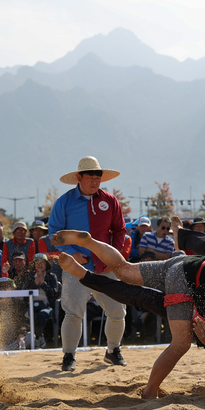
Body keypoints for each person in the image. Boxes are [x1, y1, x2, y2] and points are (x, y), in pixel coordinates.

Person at [52, 219, 205, 398]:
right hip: (186, 282)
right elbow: (202, 295)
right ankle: (150, 391)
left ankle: (91, 242)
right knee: (179, 342)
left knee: (125, 270)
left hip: (185, 262)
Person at [48, 156, 128, 372]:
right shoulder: (63, 202)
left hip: (106, 266)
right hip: (75, 267)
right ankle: (69, 356)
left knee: (118, 311)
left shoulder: (110, 200)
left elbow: (120, 230)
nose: (95, 181)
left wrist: (115, 254)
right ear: (79, 178)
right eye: (90, 177)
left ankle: (113, 350)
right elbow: (54, 234)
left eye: (98, 177)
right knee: (73, 313)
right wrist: (72, 253)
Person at [23, 253, 60, 347]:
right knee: (26, 314)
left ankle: (38, 337)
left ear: (46, 264)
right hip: (31, 305)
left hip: (47, 306)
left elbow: (54, 295)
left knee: (43, 314)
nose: (39, 265)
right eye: (37, 263)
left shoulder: (52, 277)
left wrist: (43, 283)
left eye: (42, 262)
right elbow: (25, 295)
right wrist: (36, 284)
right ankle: (28, 340)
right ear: (34, 265)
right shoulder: (30, 277)